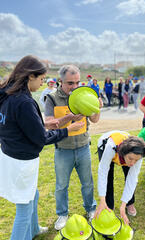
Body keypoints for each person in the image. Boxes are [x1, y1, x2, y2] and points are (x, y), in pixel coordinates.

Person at [0, 55, 84, 240]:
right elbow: (40, 138)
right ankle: (25, 232)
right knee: (24, 209)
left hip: (9, 155)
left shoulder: (7, 93)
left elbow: (23, 125)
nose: (42, 83)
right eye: (41, 79)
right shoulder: (23, 101)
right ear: (30, 76)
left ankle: (34, 228)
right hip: (21, 161)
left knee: (34, 195)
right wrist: (67, 130)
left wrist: (61, 121)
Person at [44, 65, 100, 230]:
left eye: (77, 82)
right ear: (60, 81)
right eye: (70, 83)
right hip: (63, 150)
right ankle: (62, 214)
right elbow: (48, 124)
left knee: (87, 183)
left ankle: (90, 209)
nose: (75, 87)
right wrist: (68, 118)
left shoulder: (85, 94)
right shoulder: (52, 98)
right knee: (61, 185)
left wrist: (98, 107)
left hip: (83, 147)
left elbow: (95, 119)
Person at [95, 131, 145, 225]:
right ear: (123, 154)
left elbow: (132, 179)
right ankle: (108, 206)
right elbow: (103, 172)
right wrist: (102, 199)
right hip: (106, 146)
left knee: (129, 175)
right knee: (108, 178)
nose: (132, 163)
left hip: (126, 149)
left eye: (136, 160)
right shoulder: (111, 146)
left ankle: (129, 203)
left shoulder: (138, 154)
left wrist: (123, 205)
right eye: (130, 159)